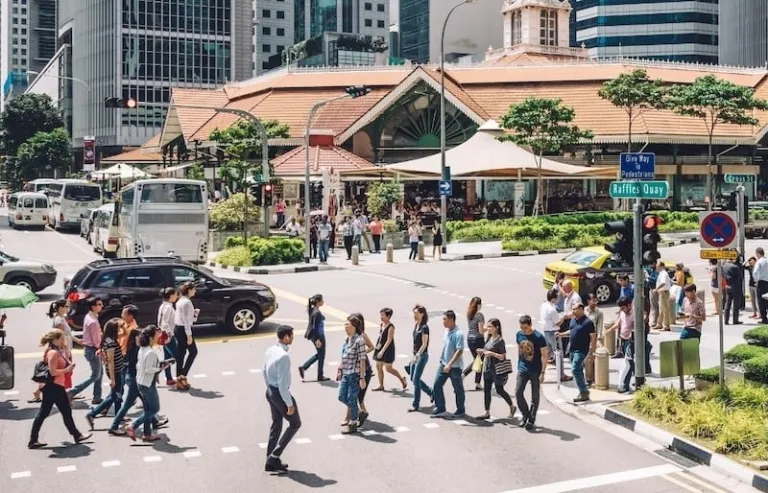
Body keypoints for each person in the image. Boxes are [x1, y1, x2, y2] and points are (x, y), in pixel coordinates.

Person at [29, 329, 92, 448]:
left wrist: (65, 349)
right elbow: (52, 372)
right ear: (56, 339)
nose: (64, 340)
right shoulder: (53, 353)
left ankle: (33, 440)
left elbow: (66, 360)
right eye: (62, 338)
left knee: (45, 413)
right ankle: (77, 435)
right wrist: (66, 370)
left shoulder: (57, 350)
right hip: (54, 386)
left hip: (53, 386)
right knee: (65, 411)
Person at [264, 325, 301, 473]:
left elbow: (264, 371)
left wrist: (269, 389)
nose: (293, 338)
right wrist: (289, 404)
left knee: (277, 424)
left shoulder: (271, 350)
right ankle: (274, 457)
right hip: (280, 394)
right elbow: (282, 384)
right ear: (286, 337)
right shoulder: (284, 357)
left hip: (270, 391)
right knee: (295, 423)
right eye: (292, 336)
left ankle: (270, 460)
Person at [126, 326, 172, 442]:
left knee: (148, 409)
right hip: (147, 384)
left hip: (140, 382)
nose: (158, 337)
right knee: (155, 409)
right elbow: (148, 369)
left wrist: (159, 365)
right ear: (151, 338)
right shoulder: (151, 352)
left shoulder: (142, 349)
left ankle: (147, 434)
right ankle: (133, 426)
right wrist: (161, 368)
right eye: (156, 335)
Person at [85, 318, 125, 429]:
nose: (120, 329)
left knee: (117, 394)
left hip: (117, 370)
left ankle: (118, 415)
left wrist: (122, 325)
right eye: (118, 328)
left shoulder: (109, 339)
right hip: (115, 371)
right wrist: (112, 379)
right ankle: (93, 414)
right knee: (115, 395)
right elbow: (111, 361)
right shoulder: (111, 342)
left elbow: (124, 333)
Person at [475, 319, 515, 420]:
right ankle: (486, 412)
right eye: (487, 326)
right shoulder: (489, 338)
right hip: (488, 368)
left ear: (496, 327)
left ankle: (512, 406)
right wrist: (482, 351)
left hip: (497, 369)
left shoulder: (500, 341)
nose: (487, 329)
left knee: (499, 390)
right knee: (487, 390)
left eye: (490, 326)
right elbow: (487, 349)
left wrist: (492, 354)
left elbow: (503, 357)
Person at [557, 302, 595, 403]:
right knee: (578, 370)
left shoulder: (588, 322)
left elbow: (593, 337)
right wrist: (560, 334)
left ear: (581, 309)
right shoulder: (573, 320)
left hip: (582, 350)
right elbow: (571, 332)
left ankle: (583, 391)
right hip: (572, 350)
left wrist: (592, 351)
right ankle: (583, 391)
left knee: (574, 369)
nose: (573, 311)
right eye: (572, 309)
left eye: (575, 309)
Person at [69, 297, 104, 404]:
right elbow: (96, 341)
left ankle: (97, 397)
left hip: (89, 349)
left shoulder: (89, 316)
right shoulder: (93, 322)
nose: (102, 306)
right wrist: (101, 349)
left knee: (99, 374)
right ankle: (73, 392)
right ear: (93, 307)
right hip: (93, 350)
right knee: (96, 375)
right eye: (99, 304)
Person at [515, 315, 547, 430]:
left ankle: (531, 420)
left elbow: (544, 355)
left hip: (535, 370)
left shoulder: (539, 337)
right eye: (521, 327)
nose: (523, 330)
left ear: (530, 325)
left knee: (535, 396)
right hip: (523, 368)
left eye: (525, 327)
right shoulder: (519, 335)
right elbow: (519, 349)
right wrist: (519, 364)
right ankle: (525, 415)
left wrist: (543, 372)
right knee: (518, 392)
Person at [431, 310, 465, 418]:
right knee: (437, 385)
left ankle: (460, 409)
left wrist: (449, 364)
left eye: (445, 319)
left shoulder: (458, 334)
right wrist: (442, 361)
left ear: (451, 320)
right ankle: (440, 407)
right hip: (443, 364)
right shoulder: (446, 331)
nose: (443, 322)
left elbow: (459, 351)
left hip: (454, 367)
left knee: (458, 389)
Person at [337, 314, 368, 434]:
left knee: (351, 398)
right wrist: (340, 369)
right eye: (345, 324)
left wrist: (362, 377)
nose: (345, 326)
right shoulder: (347, 339)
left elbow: (362, 360)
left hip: (354, 374)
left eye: (347, 324)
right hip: (346, 373)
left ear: (354, 326)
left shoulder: (359, 340)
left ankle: (353, 424)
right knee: (341, 396)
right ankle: (359, 412)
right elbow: (343, 356)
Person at [371, 308, 407, 391]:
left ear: (388, 316)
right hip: (380, 347)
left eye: (383, 315)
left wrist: (382, 351)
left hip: (387, 349)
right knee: (378, 366)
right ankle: (381, 385)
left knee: (388, 369)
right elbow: (381, 336)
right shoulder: (382, 325)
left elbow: (389, 340)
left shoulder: (391, 327)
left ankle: (402, 379)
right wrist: (378, 346)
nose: (381, 317)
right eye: (381, 315)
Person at [605, 297, 635, 393]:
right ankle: (637, 379)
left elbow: (636, 328)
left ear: (629, 305)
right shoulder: (622, 313)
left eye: (623, 308)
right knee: (629, 363)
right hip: (623, 340)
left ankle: (624, 385)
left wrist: (631, 336)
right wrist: (609, 330)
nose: (622, 310)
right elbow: (618, 323)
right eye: (621, 308)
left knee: (627, 364)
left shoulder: (635, 314)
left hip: (630, 341)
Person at [408, 304, 432, 412]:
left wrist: (417, 355)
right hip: (415, 355)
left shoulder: (424, 327)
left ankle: (415, 404)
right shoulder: (416, 325)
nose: (414, 315)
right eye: (414, 313)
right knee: (413, 378)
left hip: (421, 356)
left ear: (422, 314)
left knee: (416, 379)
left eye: (416, 313)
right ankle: (431, 392)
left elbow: (424, 344)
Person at [299, 294, 329, 382]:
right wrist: (317, 339)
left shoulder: (312, 310)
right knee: (321, 355)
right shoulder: (317, 313)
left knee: (320, 354)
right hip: (318, 335)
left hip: (313, 335)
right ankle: (319, 375)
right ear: (318, 302)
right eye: (322, 300)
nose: (323, 301)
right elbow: (315, 327)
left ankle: (305, 368)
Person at [174, 281, 198, 390]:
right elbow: (186, 321)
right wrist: (189, 335)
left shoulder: (180, 300)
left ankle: (179, 377)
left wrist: (194, 314)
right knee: (193, 352)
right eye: (194, 289)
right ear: (189, 290)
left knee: (181, 353)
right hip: (184, 329)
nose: (195, 291)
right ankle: (182, 375)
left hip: (178, 328)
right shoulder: (187, 303)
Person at [462, 297, 486, 389]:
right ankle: (466, 375)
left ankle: (477, 382)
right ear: (478, 305)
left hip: (470, 339)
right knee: (479, 360)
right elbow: (481, 331)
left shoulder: (469, 314)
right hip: (478, 339)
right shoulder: (479, 315)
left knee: (478, 360)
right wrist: (488, 328)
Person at [157, 287, 178, 386]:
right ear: (171, 296)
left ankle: (169, 378)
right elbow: (165, 323)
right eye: (175, 294)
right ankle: (158, 370)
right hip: (168, 335)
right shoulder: (168, 307)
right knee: (177, 356)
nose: (176, 296)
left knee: (167, 357)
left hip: (163, 334)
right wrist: (169, 334)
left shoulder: (163, 305)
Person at [723, 258, 744, 325]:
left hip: (728, 286)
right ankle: (735, 320)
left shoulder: (724, 266)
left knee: (727, 304)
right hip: (736, 286)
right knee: (736, 304)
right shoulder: (735, 267)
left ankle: (726, 320)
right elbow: (741, 277)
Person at [653, 261, 672, 332]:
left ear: (662, 266)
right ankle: (659, 324)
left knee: (664, 310)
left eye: (658, 266)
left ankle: (666, 326)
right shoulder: (661, 273)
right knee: (661, 309)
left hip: (664, 292)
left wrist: (656, 289)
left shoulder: (663, 274)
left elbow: (663, 283)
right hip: (662, 292)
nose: (656, 268)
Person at [755, 248, 768, 324]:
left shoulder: (759, 262)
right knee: (767, 300)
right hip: (767, 282)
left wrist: (756, 280)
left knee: (761, 301)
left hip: (761, 283)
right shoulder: (767, 260)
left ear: (758, 254)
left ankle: (764, 319)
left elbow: (755, 272)